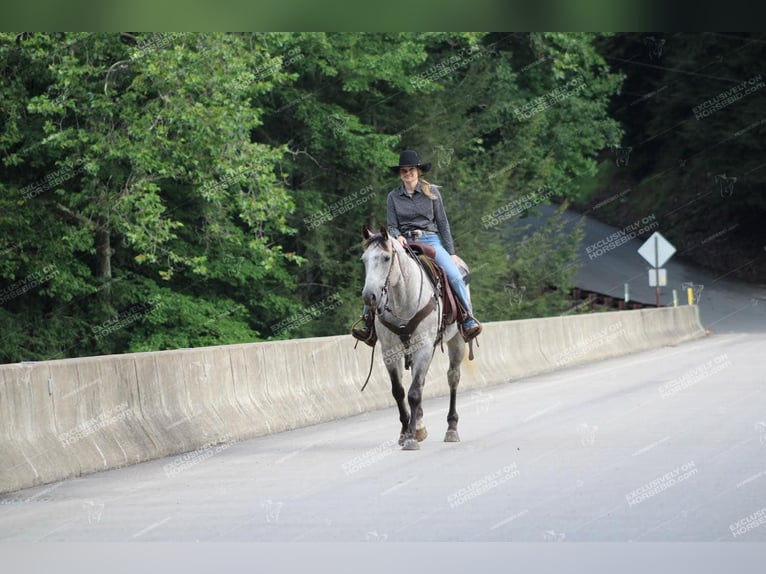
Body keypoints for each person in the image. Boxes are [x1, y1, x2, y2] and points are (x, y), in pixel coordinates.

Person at [352, 150, 482, 345]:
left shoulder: (432, 193)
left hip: (430, 240)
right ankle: (367, 323)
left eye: (411, 170)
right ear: (400, 173)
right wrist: (397, 236)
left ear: (418, 171)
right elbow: (392, 225)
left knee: (455, 275)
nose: (407, 173)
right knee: (380, 272)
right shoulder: (393, 197)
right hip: (403, 242)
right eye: (404, 170)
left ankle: (467, 318)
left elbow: (443, 224)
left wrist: (452, 252)